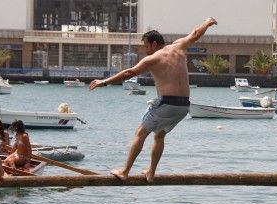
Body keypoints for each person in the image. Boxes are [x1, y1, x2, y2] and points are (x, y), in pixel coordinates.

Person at [89, 17, 218, 182]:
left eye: (146, 46)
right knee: (159, 136)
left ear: (155, 44)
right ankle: (151, 173)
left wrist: (104, 82)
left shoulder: (153, 59)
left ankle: (124, 171)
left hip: (166, 103)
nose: (146, 51)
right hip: (184, 106)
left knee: (140, 133)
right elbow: (195, 34)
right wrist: (207, 22)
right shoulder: (179, 46)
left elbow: (129, 73)